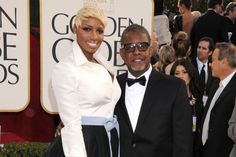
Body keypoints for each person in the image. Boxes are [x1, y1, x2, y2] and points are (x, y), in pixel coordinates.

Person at [46, 6, 121, 157]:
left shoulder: (104, 63)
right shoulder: (66, 68)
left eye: (99, 31)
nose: (94, 36)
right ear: (75, 29)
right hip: (82, 142)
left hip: (105, 140)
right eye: (87, 29)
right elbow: (72, 123)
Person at [114, 24, 193, 157]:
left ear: (150, 51)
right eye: (130, 47)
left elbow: (183, 142)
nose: (136, 52)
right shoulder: (112, 86)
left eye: (142, 46)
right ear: (122, 53)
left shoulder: (174, 87)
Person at [199, 42, 236, 157]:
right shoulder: (215, 83)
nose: (210, 64)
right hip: (206, 149)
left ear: (224, 61)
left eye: (213, 60)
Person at [191, 37, 217, 105]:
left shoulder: (213, 67)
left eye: (204, 48)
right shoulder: (190, 65)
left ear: (210, 52)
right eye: (199, 47)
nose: (200, 50)